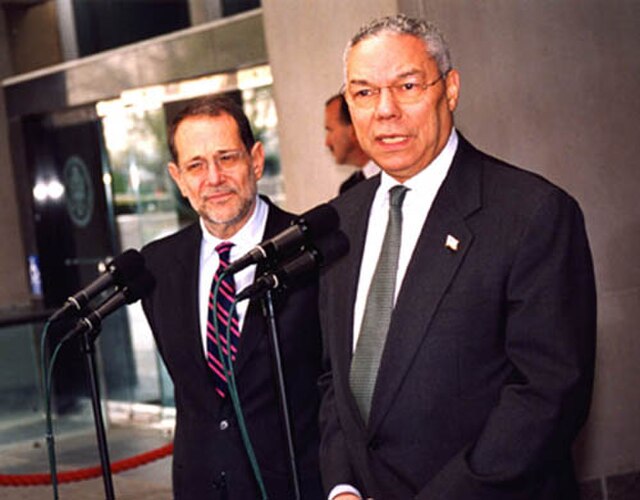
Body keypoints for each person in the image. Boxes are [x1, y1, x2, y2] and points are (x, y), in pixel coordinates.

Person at [318, 14, 596, 500]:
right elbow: (332, 378)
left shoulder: (532, 214)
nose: (385, 110)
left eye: (406, 85)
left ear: (450, 89)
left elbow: (547, 394)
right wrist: (342, 485)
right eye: (363, 93)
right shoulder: (336, 223)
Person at [141, 96, 324, 499]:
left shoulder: (312, 251)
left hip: (295, 487)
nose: (214, 177)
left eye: (227, 158)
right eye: (196, 165)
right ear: (178, 178)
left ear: (256, 160)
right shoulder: (158, 267)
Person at [324, 93, 380, 194]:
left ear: (355, 129)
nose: (327, 143)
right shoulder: (349, 190)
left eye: (330, 130)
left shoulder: (402, 175)